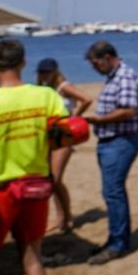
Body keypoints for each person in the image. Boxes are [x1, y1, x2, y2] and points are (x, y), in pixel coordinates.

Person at [0, 39, 66, 275]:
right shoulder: (47, 96)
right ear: (23, 62)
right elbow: (63, 138)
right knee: (32, 258)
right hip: (36, 187)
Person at [82, 40, 138, 265]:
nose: (94, 68)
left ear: (108, 58)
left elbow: (128, 110)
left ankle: (118, 244)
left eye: (96, 63)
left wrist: (98, 119)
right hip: (112, 140)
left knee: (113, 191)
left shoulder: (124, 76)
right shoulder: (114, 77)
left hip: (121, 141)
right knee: (112, 191)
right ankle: (116, 240)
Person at [35, 57, 93, 233]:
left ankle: (65, 218)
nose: (45, 75)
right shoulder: (45, 89)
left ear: (55, 71)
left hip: (64, 138)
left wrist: (74, 117)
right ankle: (62, 217)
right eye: (42, 72)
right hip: (51, 137)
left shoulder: (63, 87)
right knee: (52, 179)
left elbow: (87, 99)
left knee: (55, 177)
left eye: (48, 72)